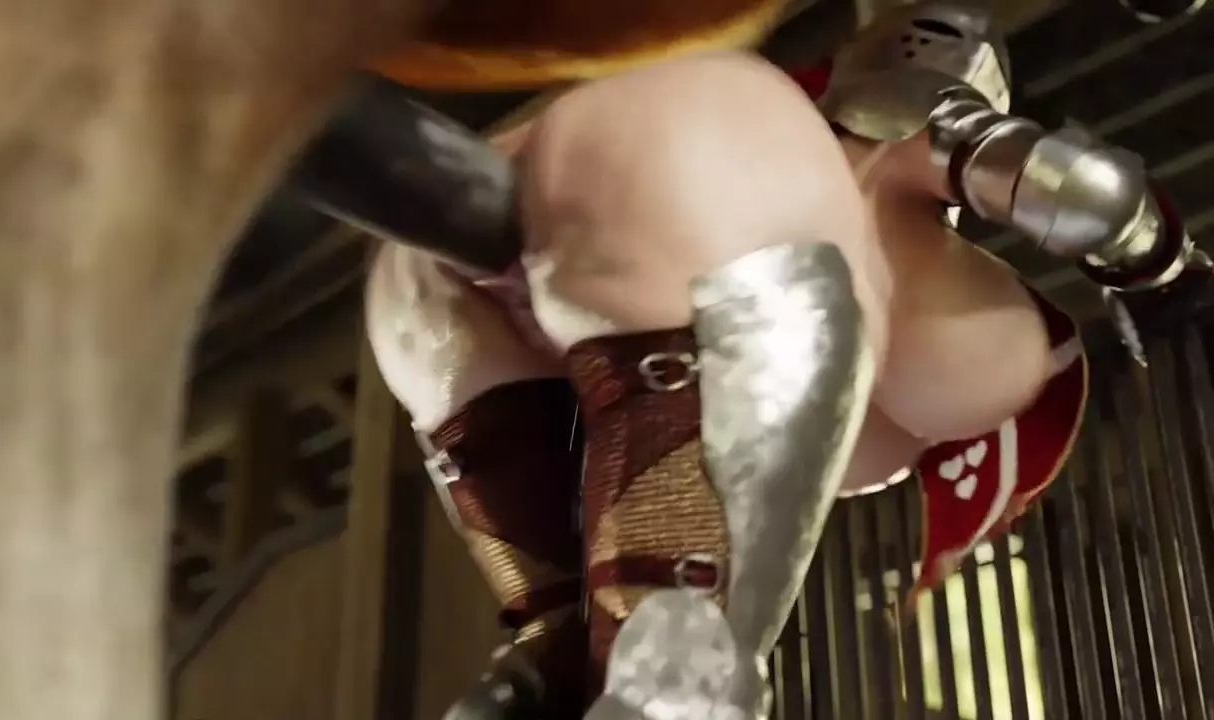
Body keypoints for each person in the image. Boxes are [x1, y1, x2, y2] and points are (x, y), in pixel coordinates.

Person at [364, 2, 1192, 717]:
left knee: (558, 642)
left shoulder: (830, 166)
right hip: (706, 265)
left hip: (474, 295)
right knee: (678, 656)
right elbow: (1079, 189)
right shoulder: (889, 145)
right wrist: (1167, 269)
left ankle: (540, 655)